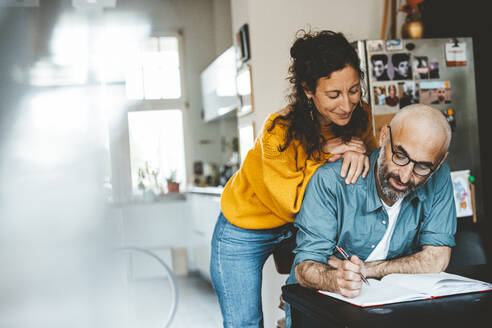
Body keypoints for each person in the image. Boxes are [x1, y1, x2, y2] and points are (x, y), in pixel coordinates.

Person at [210, 30, 378, 328]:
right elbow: (290, 204)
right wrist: (325, 153)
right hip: (245, 227)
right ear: (308, 90)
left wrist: (361, 152)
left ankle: (289, 299)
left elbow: (362, 182)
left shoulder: (360, 118)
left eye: (353, 90)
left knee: (312, 309)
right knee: (243, 323)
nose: (346, 104)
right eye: (333, 95)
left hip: (299, 229)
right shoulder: (279, 131)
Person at [285, 104, 455, 327]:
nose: (405, 176)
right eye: (400, 155)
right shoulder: (331, 181)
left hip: (393, 308)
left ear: (440, 161)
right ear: (384, 136)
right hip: (323, 310)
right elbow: (305, 266)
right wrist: (336, 279)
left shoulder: (440, 176)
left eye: (422, 167)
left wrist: (368, 269)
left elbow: (437, 258)